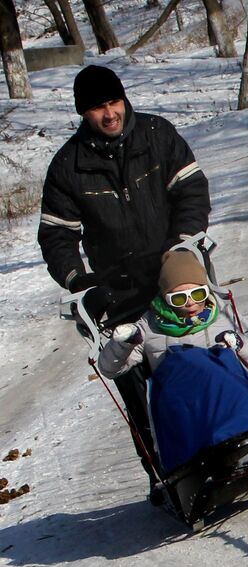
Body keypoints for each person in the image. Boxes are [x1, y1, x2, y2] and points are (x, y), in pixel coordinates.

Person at [39, 64, 211, 501]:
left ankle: (223, 441)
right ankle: (164, 474)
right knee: (137, 388)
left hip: (172, 279)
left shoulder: (157, 134)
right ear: (84, 113)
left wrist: (181, 247)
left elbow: (191, 192)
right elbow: (57, 236)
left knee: (199, 361)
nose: (110, 113)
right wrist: (81, 282)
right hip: (117, 296)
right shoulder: (68, 166)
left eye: (114, 102)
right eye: (98, 107)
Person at [99, 250, 248, 498]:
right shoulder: (147, 327)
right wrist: (123, 343)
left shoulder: (225, 315)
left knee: (217, 367)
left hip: (233, 400)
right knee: (187, 364)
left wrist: (241, 345)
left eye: (198, 294)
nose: (190, 304)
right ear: (165, 296)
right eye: (178, 298)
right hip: (187, 410)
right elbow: (110, 369)